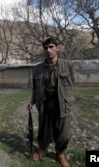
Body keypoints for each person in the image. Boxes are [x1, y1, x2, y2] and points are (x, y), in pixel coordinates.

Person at [26, 38, 74, 167]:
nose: (48, 50)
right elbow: (35, 88)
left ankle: (60, 154)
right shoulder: (38, 68)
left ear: (57, 48)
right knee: (44, 130)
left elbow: (71, 84)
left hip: (62, 104)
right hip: (45, 104)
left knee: (63, 133)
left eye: (51, 47)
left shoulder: (67, 65)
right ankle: (42, 149)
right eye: (46, 48)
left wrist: (67, 98)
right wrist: (32, 101)